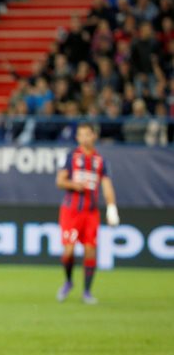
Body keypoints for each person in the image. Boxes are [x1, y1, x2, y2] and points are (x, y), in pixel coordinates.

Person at [56, 122, 120, 304]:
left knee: (90, 250)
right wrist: (74, 185)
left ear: (94, 136)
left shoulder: (100, 161)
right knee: (68, 251)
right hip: (71, 212)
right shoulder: (70, 157)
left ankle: (87, 292)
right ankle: (68, 281)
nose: (84, 138)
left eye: (87, 134)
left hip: (91, 213)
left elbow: (107, 186)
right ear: (77, 137)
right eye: (81, 135)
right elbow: (60, 181)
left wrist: (112, 208)